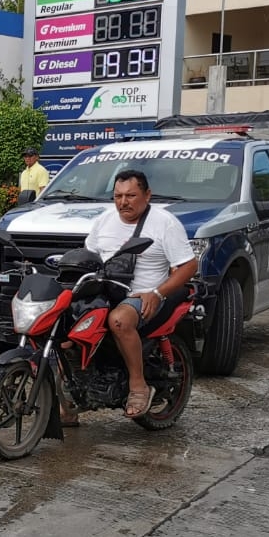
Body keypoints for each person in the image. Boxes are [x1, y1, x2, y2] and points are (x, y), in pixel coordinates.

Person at [83, 168, 197, 420]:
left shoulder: (164, 223)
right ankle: (69, 399)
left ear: (147, 195)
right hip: (106, 292)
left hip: (142, 295)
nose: (123, 202)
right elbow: (89, 256)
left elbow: (189, 266)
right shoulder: (103, 221)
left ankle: (138, 385)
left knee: (119, 320)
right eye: (118, 196)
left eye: (131, 196)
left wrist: (157, 292)